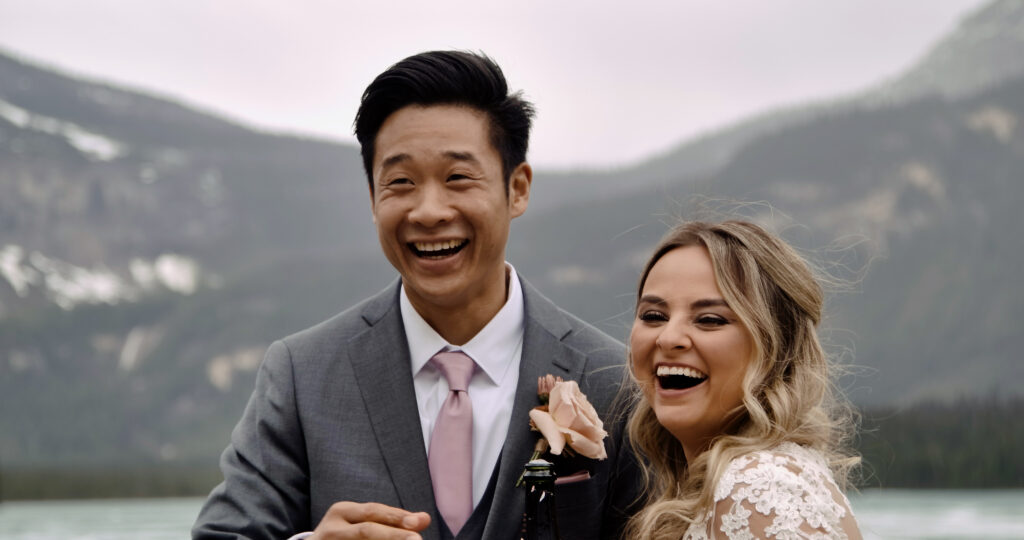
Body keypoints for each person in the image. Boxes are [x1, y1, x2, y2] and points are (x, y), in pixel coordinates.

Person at [192, 50, 640, 540]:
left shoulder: (613, 379)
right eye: (400, 182)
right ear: (372, 197)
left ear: (517, 189)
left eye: (457, 178)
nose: (428, 211)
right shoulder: (304, 374)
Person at [624, 220, 862, 539]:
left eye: (710, 319)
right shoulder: (730, 480)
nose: (668, 338)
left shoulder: (759, 487)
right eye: (653, 316)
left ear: (776, 347)